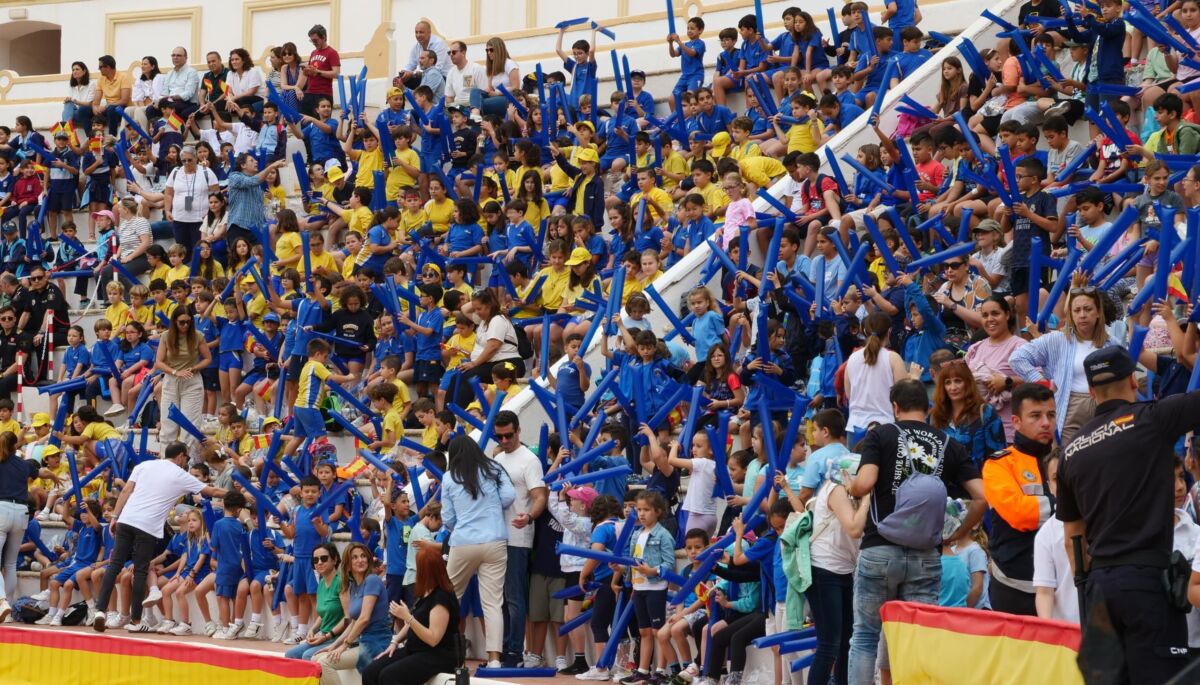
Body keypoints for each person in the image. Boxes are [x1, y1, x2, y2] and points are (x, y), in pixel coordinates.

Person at [1058, 347, 1200, 683]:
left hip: (1099, 588)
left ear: (1092, 392)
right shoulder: (1151, 417)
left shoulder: (1070, 450)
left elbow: (1072, 541)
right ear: (1134, 383)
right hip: (1147, 582)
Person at [846, 379, 986, 685]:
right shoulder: (950, 443)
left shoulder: (880, 434)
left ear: (895, 407)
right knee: (915, 640)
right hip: (926, 555)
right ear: (928, 408)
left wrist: (850, 485)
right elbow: (981, 496)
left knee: (866, 636)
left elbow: (866, 481)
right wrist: (956, 534)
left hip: (879, 548)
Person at [92, 441, 227, 633]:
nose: (185, 462)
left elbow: (126, 490)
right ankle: (136, 620)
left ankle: (100, 611)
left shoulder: (144, 465)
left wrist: (115, 516)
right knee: (140, 571)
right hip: (147, 526)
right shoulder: (180, 475)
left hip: (126, 518)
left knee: (114, 565)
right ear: (180, 456)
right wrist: (242, 495)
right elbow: (212, 491)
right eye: (186, 458)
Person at [1010, 283, 1120, 445]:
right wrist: (1043, 383)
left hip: (1104, 406)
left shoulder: (1113, 344)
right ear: (1071, 315)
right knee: (1067, 458)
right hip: (1070, 404)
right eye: (1077, 310)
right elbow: (1017, 358)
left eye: (1088, 309)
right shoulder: (1057, 339)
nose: (1082, 315)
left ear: (1098, 312)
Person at [441, 434, 515, 667]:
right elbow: (509, 496)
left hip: (463, 541)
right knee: (492, 602)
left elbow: (447, 517)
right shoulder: (494, 467)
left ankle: (449, 655)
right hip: (494, 539)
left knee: (449, 598)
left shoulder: (449, 477)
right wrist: (492, 509)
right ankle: (494, 659)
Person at [982, 382, 1056, 615]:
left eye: (1051, 415)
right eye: (1035, 415)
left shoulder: (1070, 460)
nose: (1045, 422)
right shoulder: (998, 464)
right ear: (1016, 422)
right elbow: (1019, 514)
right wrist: (1067, 506)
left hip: (1061, 582)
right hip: (1013, 584)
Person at [489, 410, 548, 667]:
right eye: (499, 437)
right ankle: (500, 650)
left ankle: (514, 651)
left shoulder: (530, 460)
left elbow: (540, 496)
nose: (503, 441)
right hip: (495, 535)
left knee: (513, 597)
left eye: (508, 436)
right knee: (497, 598)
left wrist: (530, 517)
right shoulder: (497, 458)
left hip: (517, 536)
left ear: (519, 430)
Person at [362, 546, 462, 685]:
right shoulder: (426, 592)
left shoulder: (442, 597)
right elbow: (412, 622)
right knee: (370, 672)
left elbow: (433, 639)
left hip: (438, 654)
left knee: (389, 676)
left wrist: (407, 617)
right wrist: (395, 642)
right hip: (416, 649)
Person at [0, 431, 63, 621]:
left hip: (1, 509)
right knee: (10, 563)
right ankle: (8, 607)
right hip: (21, 512)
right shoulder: (22, 463)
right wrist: (53, 476)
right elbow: (41, 471)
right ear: (15, 446)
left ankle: (1, 601)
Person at [311, 543, 393, 684]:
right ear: (348, 563)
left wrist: (345, 645)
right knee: (314, 659)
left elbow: (364, 619)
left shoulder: (372, 580)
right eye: (354, 557)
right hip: (362, 640)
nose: (360, 560)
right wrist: (334, 645)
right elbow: (354, 622)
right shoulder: (354, 585)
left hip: (376, 642)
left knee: (323, 663)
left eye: (362, 556)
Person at [963, 295, 1027, 442]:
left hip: (1008, 433)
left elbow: (1040, 381)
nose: (990, 319)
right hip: (977, 432)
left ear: (1007, 314)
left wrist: (1008, 382)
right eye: (985, 315)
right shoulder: (975, 348)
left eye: (995, 313)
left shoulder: (1020, 346)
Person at [155, 307, 212, 452]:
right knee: (168, 425)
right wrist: (175, 372)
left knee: (190, 426)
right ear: (175, 321)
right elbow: (159, 362)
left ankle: (190, 462)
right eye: (182, 322)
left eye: (188, 322)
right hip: (171, 379)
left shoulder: (197, 335)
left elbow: (207, 358)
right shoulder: (166, 336)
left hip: (192, 380)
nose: (185, 325)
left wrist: (195, 368)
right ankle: (166, 461)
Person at [455, 288, 525, 407]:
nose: (476, 312)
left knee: (469, 375)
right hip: (491, 363)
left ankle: (460, 413)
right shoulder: (483, 321)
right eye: (475, 308)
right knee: (457, 374)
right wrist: (479, 296)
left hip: (507, 363)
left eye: (479, 308)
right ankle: (448, 415)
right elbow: (464, 309)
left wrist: (474, 363)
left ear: (489, 306)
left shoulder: (497, 319)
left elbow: (493, 346)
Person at [285, 542, 344, 661]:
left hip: (338, 638)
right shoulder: (321, 583)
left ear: (334, 559)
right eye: (316, 560)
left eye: (324, 558)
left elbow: (348, 617)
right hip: (324, 636)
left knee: (308, 656)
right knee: (290, 654)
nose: (319, 562)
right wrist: (312, 630)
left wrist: (327, 636)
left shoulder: (341, 583)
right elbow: (323, 615)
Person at [162, 146, 220, 259]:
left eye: (190, 160)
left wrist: (212, 213)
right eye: (184, 160)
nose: (187, 163)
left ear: (196, 158)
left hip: (200, 219)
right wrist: (167, 210)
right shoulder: (175, 172)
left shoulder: (206, 172)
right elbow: (168, 193)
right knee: (182, 252)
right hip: (179, 218)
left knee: (199, 251)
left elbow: (216, 194)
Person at [301, 24, 341, 117]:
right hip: (309, 92)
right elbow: (313, 71)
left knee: (321, 125)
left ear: (323, 37)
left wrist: (318, 72)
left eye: (315, 40)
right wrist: (307, 71)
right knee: (306, 124)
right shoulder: (313, 52)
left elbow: (336, 73)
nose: (314, 43)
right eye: (312, 40)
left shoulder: (332, 53)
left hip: (323, 94)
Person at [397, 21, 451, 89]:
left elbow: (437, 69)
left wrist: (412, 74)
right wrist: (404, 73)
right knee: (401, 80)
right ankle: (405, 98)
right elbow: (410, 65)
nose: (418, 35)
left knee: (430, 75)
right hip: (425, 76)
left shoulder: (439, 44)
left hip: (442, 77)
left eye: (421, 32)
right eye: (416, 32)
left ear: (429, 33)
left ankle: (418, 97)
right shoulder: (416, 47)